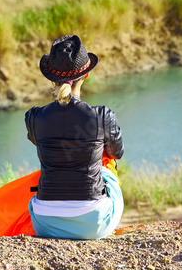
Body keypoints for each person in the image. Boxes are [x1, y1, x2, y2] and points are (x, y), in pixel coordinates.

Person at [24, 34, 124, 240]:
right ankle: (107, 217)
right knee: (108, 166)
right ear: (85, 75)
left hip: (44, 223)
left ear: (51, 78)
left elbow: (39, 140)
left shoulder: (33, 117)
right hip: (93, 223)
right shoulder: (102, 115)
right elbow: (117, 153)